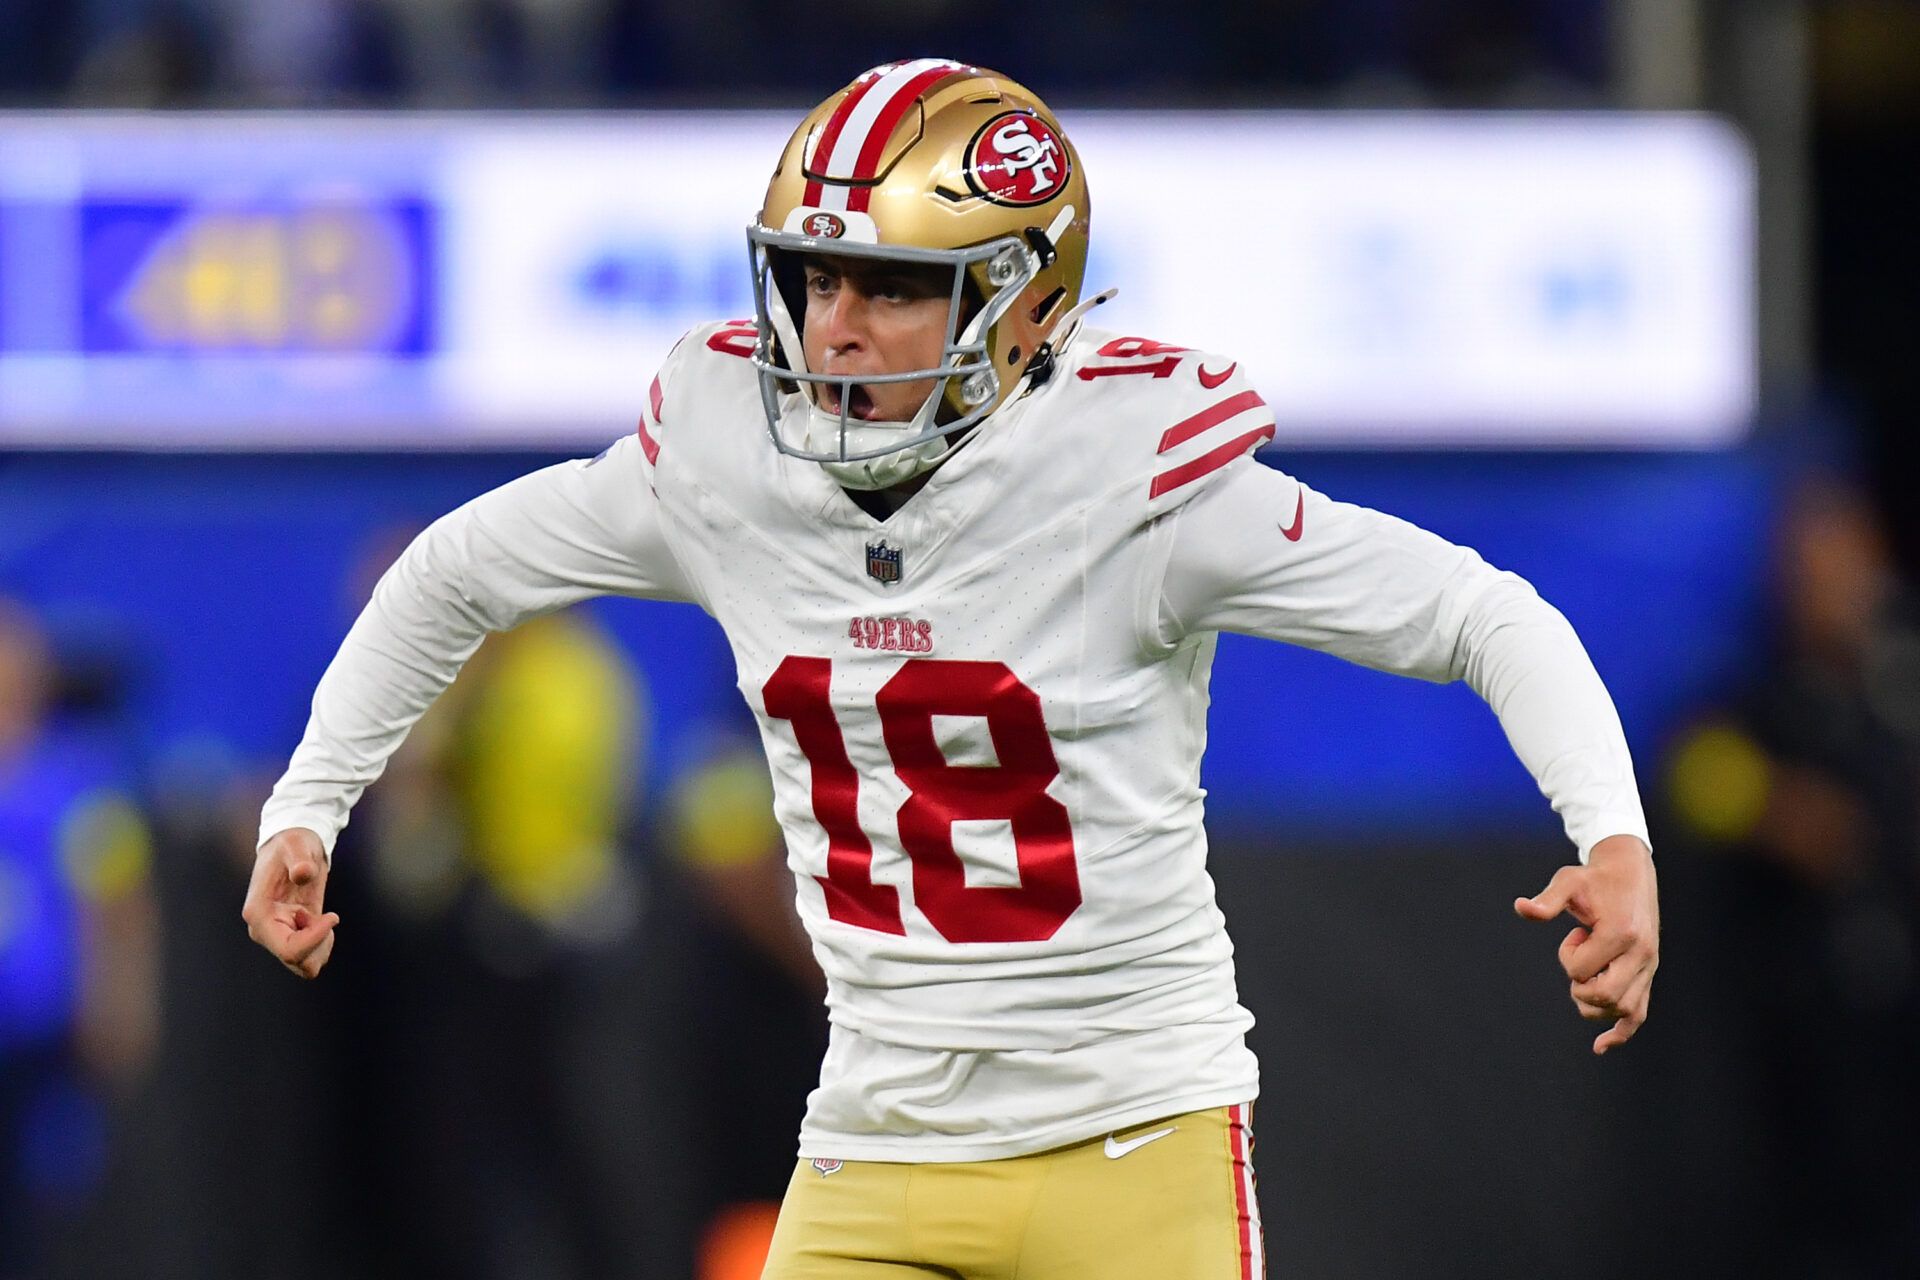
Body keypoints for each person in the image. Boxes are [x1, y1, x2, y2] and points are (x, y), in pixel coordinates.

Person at [244, 59, 1660, 1279]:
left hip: (1131, 1133)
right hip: (877, 1138)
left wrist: (1612, 834)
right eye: (813, 277)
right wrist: (311, 802)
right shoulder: (728, 459)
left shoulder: (1133, 482)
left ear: (1022, 307)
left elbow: (1487, 616)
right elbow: (454, 572)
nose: (836, 325)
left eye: (895, 288)